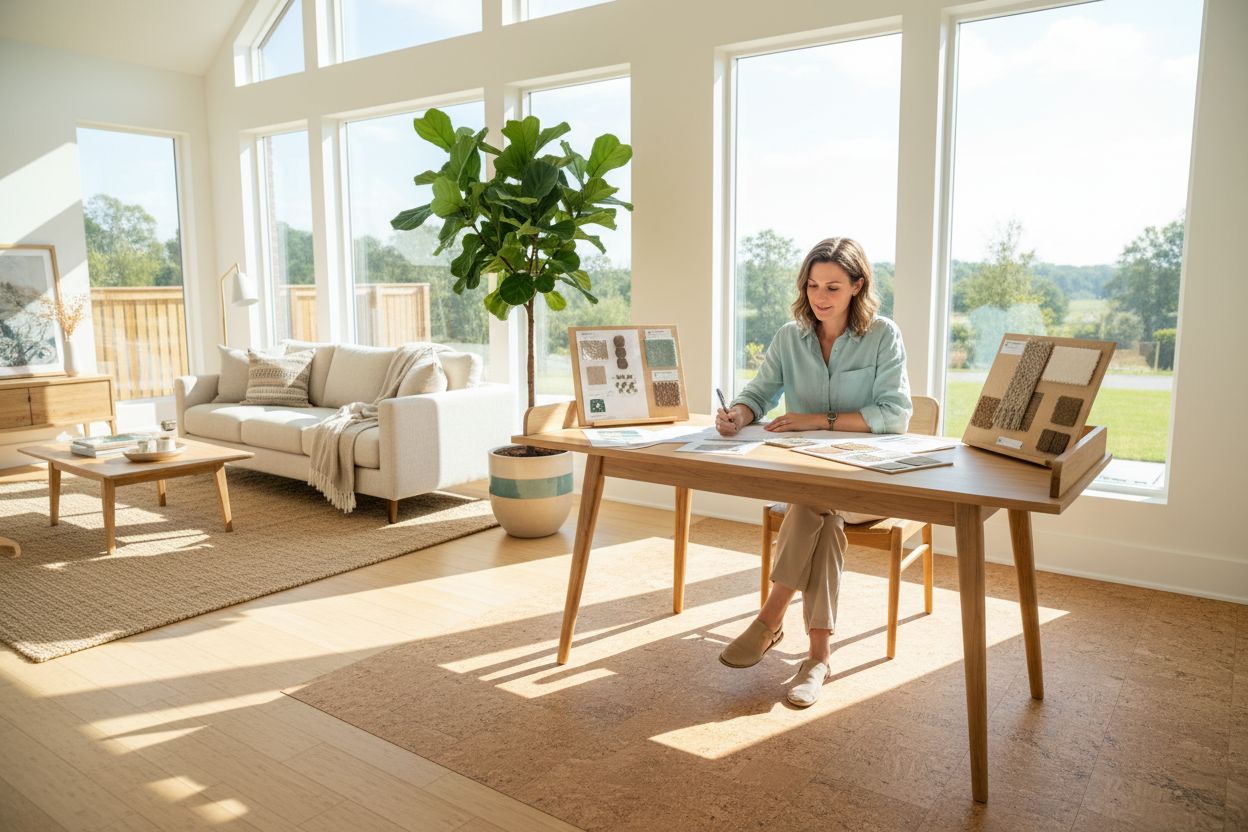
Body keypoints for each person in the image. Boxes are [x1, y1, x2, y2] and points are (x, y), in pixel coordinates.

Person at [716, 237, 912, 707]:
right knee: (815, 509)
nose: (819, 297)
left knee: (810, 503)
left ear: (857, 287)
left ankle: (770, 618)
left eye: (833, 287)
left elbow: (895, 413)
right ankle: (819, 656)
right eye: (812, 286)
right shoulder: (790, 337)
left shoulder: (883, 335)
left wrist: (816, 420)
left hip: (869, 486)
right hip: (811, 487)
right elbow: (760, 392)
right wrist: (738, 415)